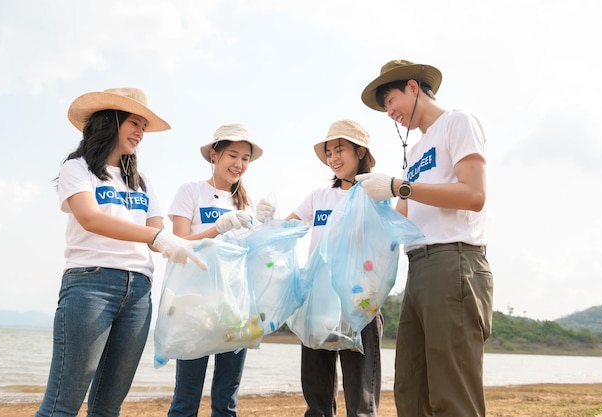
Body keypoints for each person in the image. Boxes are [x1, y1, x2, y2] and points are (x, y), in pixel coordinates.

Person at [36, 88, 205, 417]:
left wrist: (202, 242)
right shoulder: (78, 169)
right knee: (62, 404)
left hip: (139, 293)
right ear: (109, 121)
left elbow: (158, 236)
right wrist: (158, 235)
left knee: (108, 407)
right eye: (134, 123)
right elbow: (90, 218)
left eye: (144, 126)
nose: (141, 133)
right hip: (90, 286)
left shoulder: (142, 180)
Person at [356, 59, 494, 417]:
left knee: (453, 391)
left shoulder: (457, 123)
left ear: (414, 88)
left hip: (455, 262)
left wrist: (401, 186)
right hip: (416, 269)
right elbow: (401, 219)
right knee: (410, 388)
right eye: (384, 107)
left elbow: (474, 194)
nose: (389, 113)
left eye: (390, 101)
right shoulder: (414, 153)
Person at [167, 123, 271, 417]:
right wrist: (216, 229)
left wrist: (267, 226)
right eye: (233, 156)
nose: (239, 164)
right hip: (195, 306)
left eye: (245, 159)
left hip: (236, 308)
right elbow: (177, 245)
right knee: (186, 399)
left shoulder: (246, 203)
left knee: (226, 402)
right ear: (214, 154)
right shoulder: (190, 192)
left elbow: (254, 257)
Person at [283, 119, 383, 417]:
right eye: (329, 153)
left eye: (339, 150)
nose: (333, 158)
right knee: (317, 399)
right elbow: (288, 228)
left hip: (359, 303)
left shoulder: (375, 194)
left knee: (360, 400)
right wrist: (266, 221)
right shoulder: (319, 197)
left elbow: (385, 247)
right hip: (318, 305)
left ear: (360, 151)